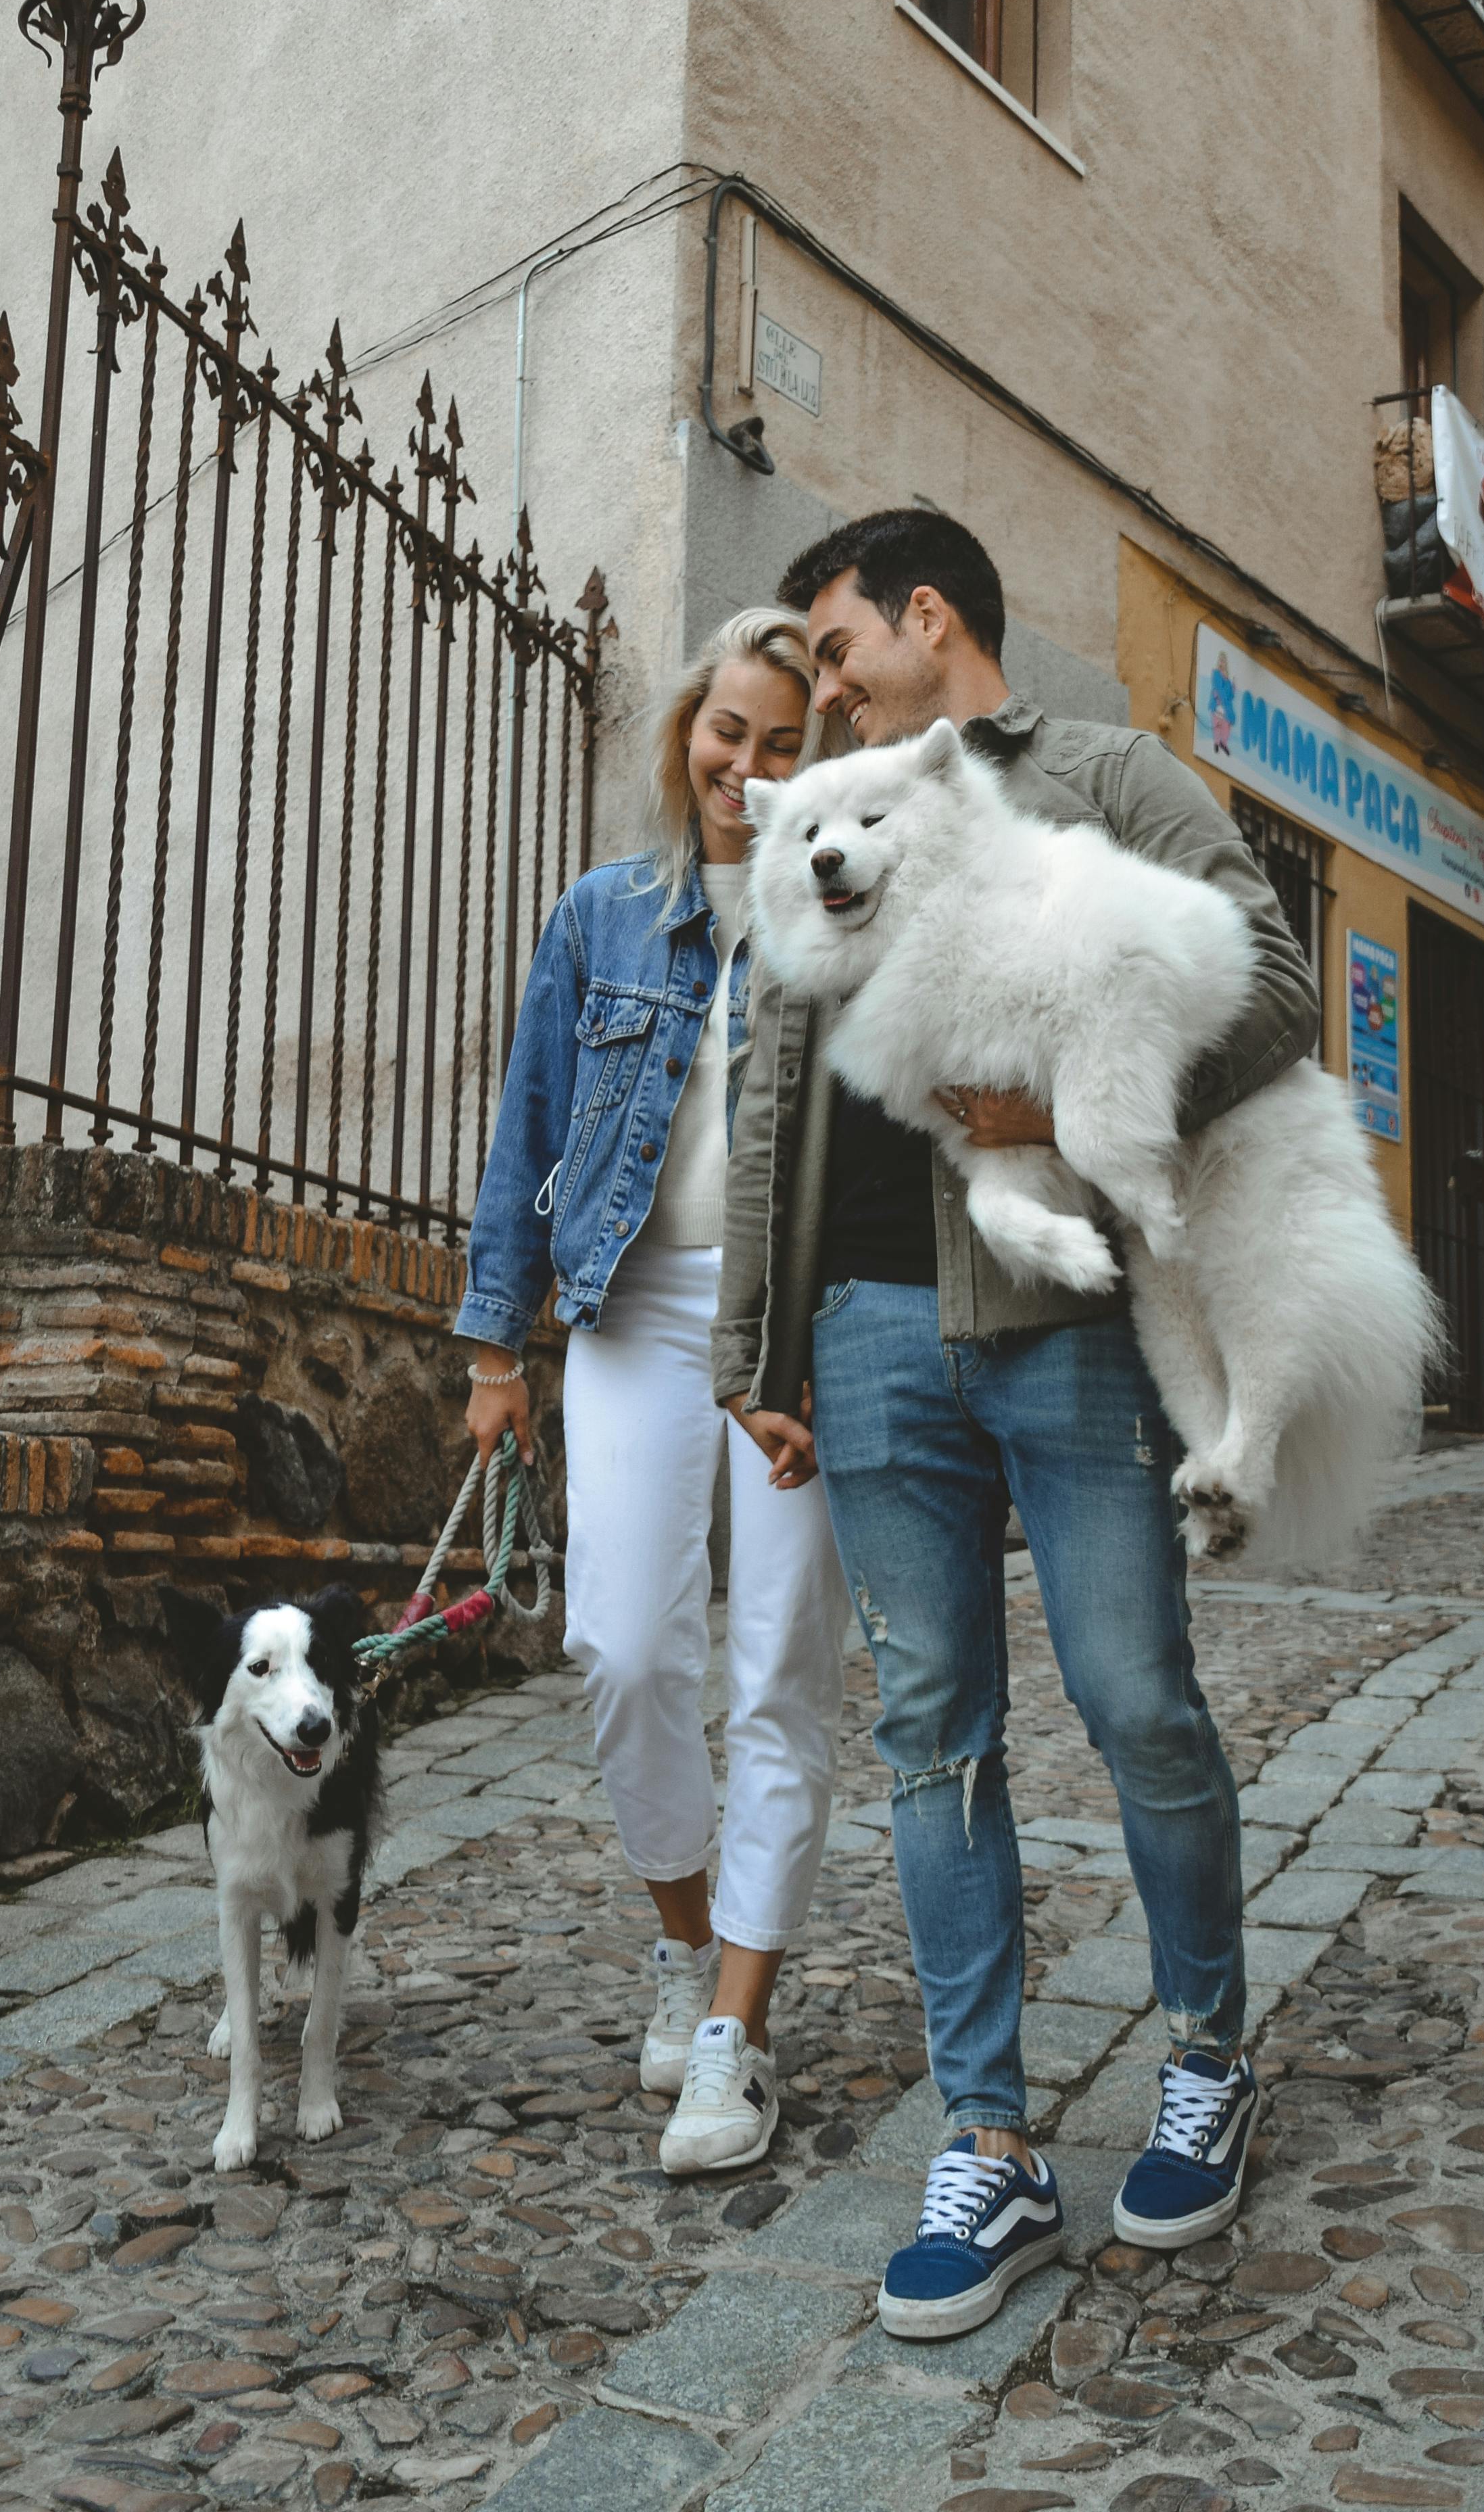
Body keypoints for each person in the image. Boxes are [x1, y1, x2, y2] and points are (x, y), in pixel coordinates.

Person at [713, 510, 1319, 2340]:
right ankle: (984, 2141)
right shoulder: (827, 831)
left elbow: (1271, 984)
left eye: (829, 651)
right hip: (873, 1337)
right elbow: (770, 1089)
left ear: (924, 620)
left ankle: (1205, 2052)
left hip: (1059, 1324)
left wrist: (1051, 1098)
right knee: (929, 1739)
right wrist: (762, 1340)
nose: (816, 688)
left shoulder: (1101, 776)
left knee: (1136, 1699)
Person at [457, 607, 847, 2176]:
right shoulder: (605, 914)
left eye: (780, 747)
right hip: (627, 1306)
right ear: (686, 731)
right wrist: (496, 1348)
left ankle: (734, 2036)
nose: (744, 772)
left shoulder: (848, 918)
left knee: (773, 1672)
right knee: (623, 1646)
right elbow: (524, 1124)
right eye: (725, 736)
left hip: (795, 1333)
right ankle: (684, 1942)